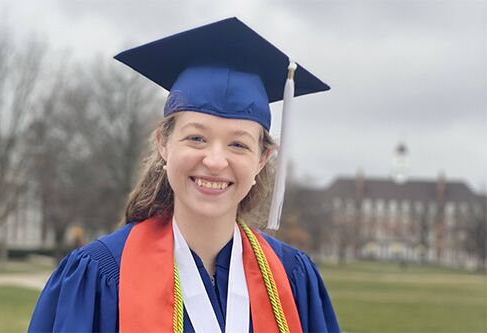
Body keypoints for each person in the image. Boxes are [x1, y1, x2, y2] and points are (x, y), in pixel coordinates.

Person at [28, 17, 340, 333]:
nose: (216, 161)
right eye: (196, 138)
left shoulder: (292, 280)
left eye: (238, 144)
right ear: (163, 144)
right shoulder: (101, 277)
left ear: (262, 159)